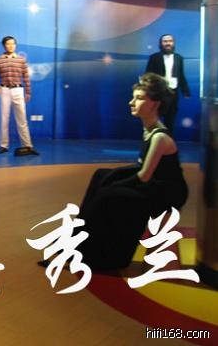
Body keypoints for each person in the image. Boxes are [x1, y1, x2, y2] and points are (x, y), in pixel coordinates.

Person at [72, 73, 188, 270]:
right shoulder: (148, 129)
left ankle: (97, 254)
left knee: (108, 194)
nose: (131, 102)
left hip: (166, 192)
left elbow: (143, 176)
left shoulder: (159, 137)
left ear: (155, 104)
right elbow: (142, 166)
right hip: (154, 182)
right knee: (100, 175)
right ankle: (77, 241)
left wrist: (114, 184)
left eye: (139, 98)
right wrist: (111, 176)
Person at [0, 36, 38, 156]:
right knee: (4, 118)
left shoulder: (21, 60)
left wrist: (28, 92)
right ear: (4, 45)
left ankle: (27, 145)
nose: (11, 46)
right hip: (5, 90)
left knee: (22, 119)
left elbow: (26, 77)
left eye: (13, 44)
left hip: (18, 90)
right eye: (8, 44)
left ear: (15, 45)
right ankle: (3, 146)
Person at [145, 34, 190, 135]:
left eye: (170, 41)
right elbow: (148, 75)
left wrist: (185, 91)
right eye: (165, 41)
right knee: (155, 117)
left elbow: (181, 75)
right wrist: (147, 90)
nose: (168, 43)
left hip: (173, 92)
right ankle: (153, 139)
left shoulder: (179, 58)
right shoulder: (154, 57)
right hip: (158, 93)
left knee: (171, 117)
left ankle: (168, 140)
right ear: (161, 44)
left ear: (173, 43)